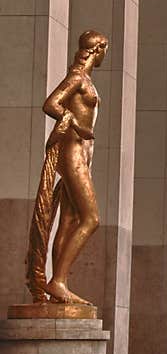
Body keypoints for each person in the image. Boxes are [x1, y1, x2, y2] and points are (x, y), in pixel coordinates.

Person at [27, 30, 109, 304]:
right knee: (91, 218)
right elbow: (51, 104)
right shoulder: (77, 78)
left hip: (82, 154)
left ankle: (60, 285)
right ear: (98, 49)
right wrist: (75, 123)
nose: (105, 56)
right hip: (72, 151)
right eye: (104, 51)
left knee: (71, 220)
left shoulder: (86, 80)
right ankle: (58, 281)